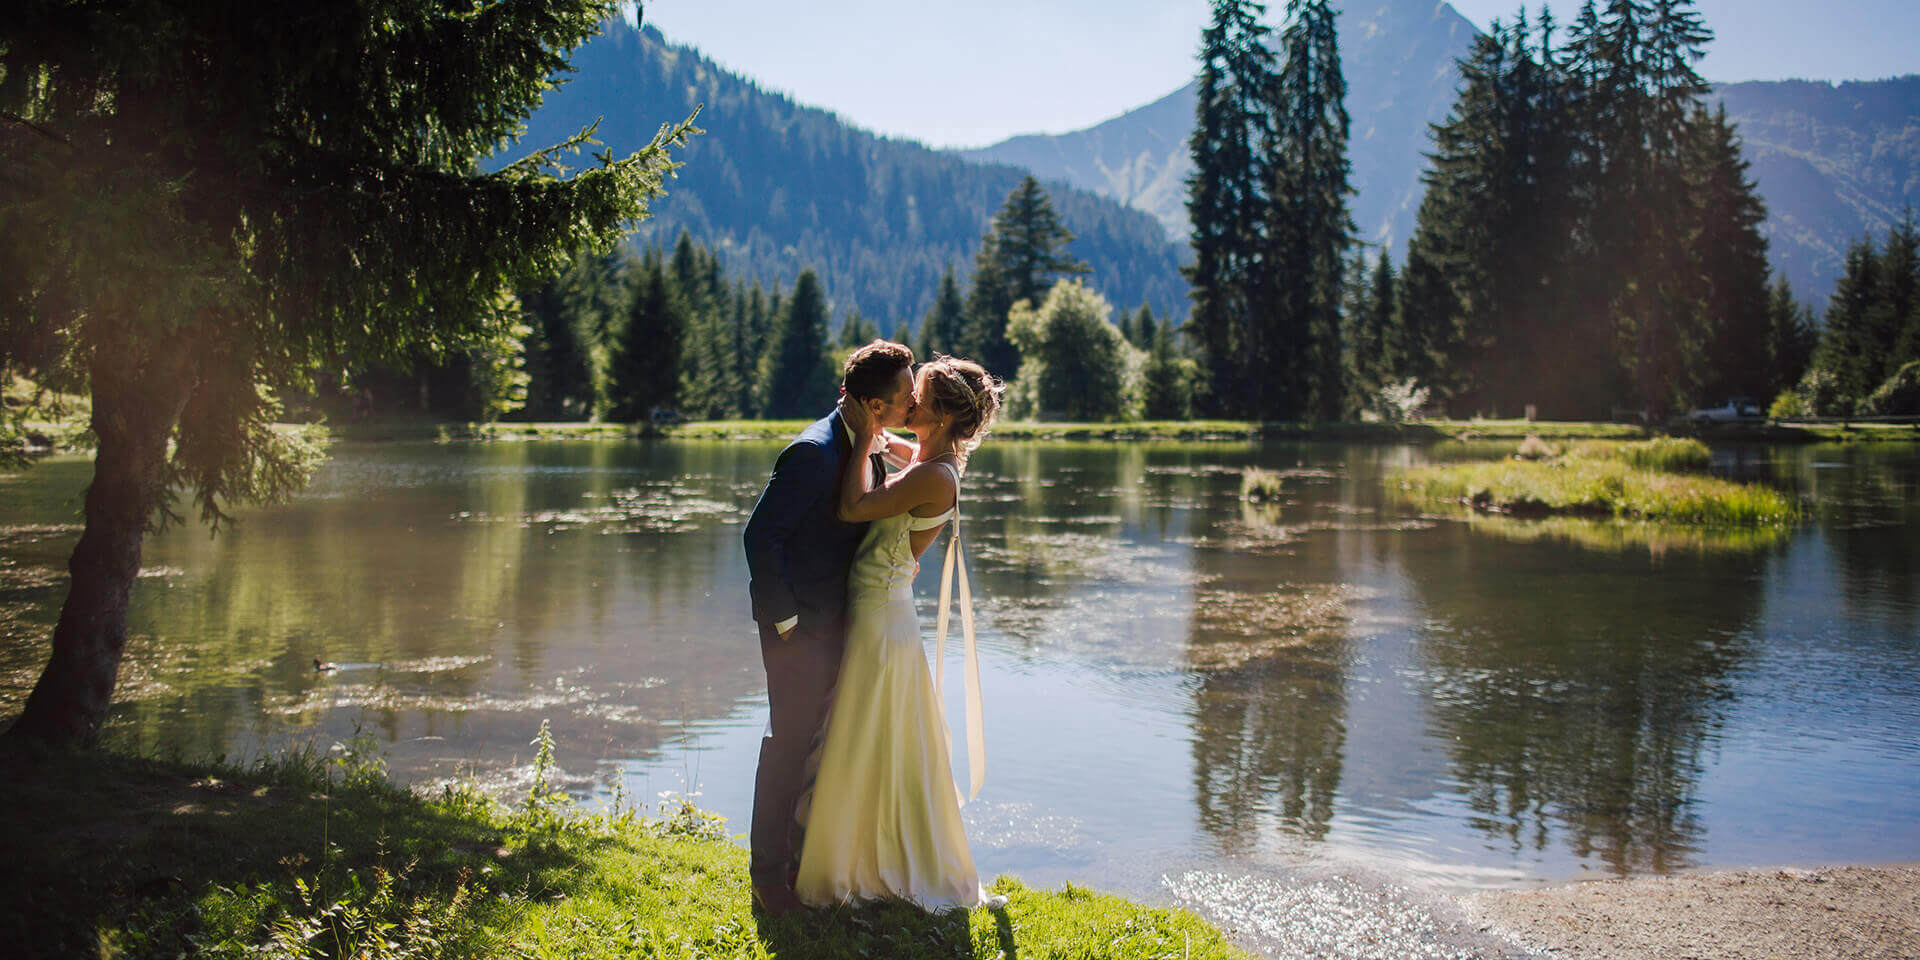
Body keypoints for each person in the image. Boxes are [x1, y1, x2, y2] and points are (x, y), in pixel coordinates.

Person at [794, 354, 1007, 911]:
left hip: (879, 614)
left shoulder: (936, 476)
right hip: (877, 605)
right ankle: (856, 840)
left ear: (936, 413)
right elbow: (899, 453)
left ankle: (859, 857)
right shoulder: (929, 459)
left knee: (866, 728)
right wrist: (872, 433)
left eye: (920, 394)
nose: (908, 398)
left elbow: (852, 506)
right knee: (869, 727)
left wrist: (866, 436)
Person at [741, 340, 916, 918]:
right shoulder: (814, 453)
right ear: (872, 404)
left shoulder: (862, 442)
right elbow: (759, 538)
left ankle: (801, 858)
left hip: (839, 623)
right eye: (905, 397)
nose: (912, 404)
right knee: (788, 745)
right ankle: (767, 877)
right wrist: (787, 624)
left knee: (819, 745)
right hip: (798, 630)